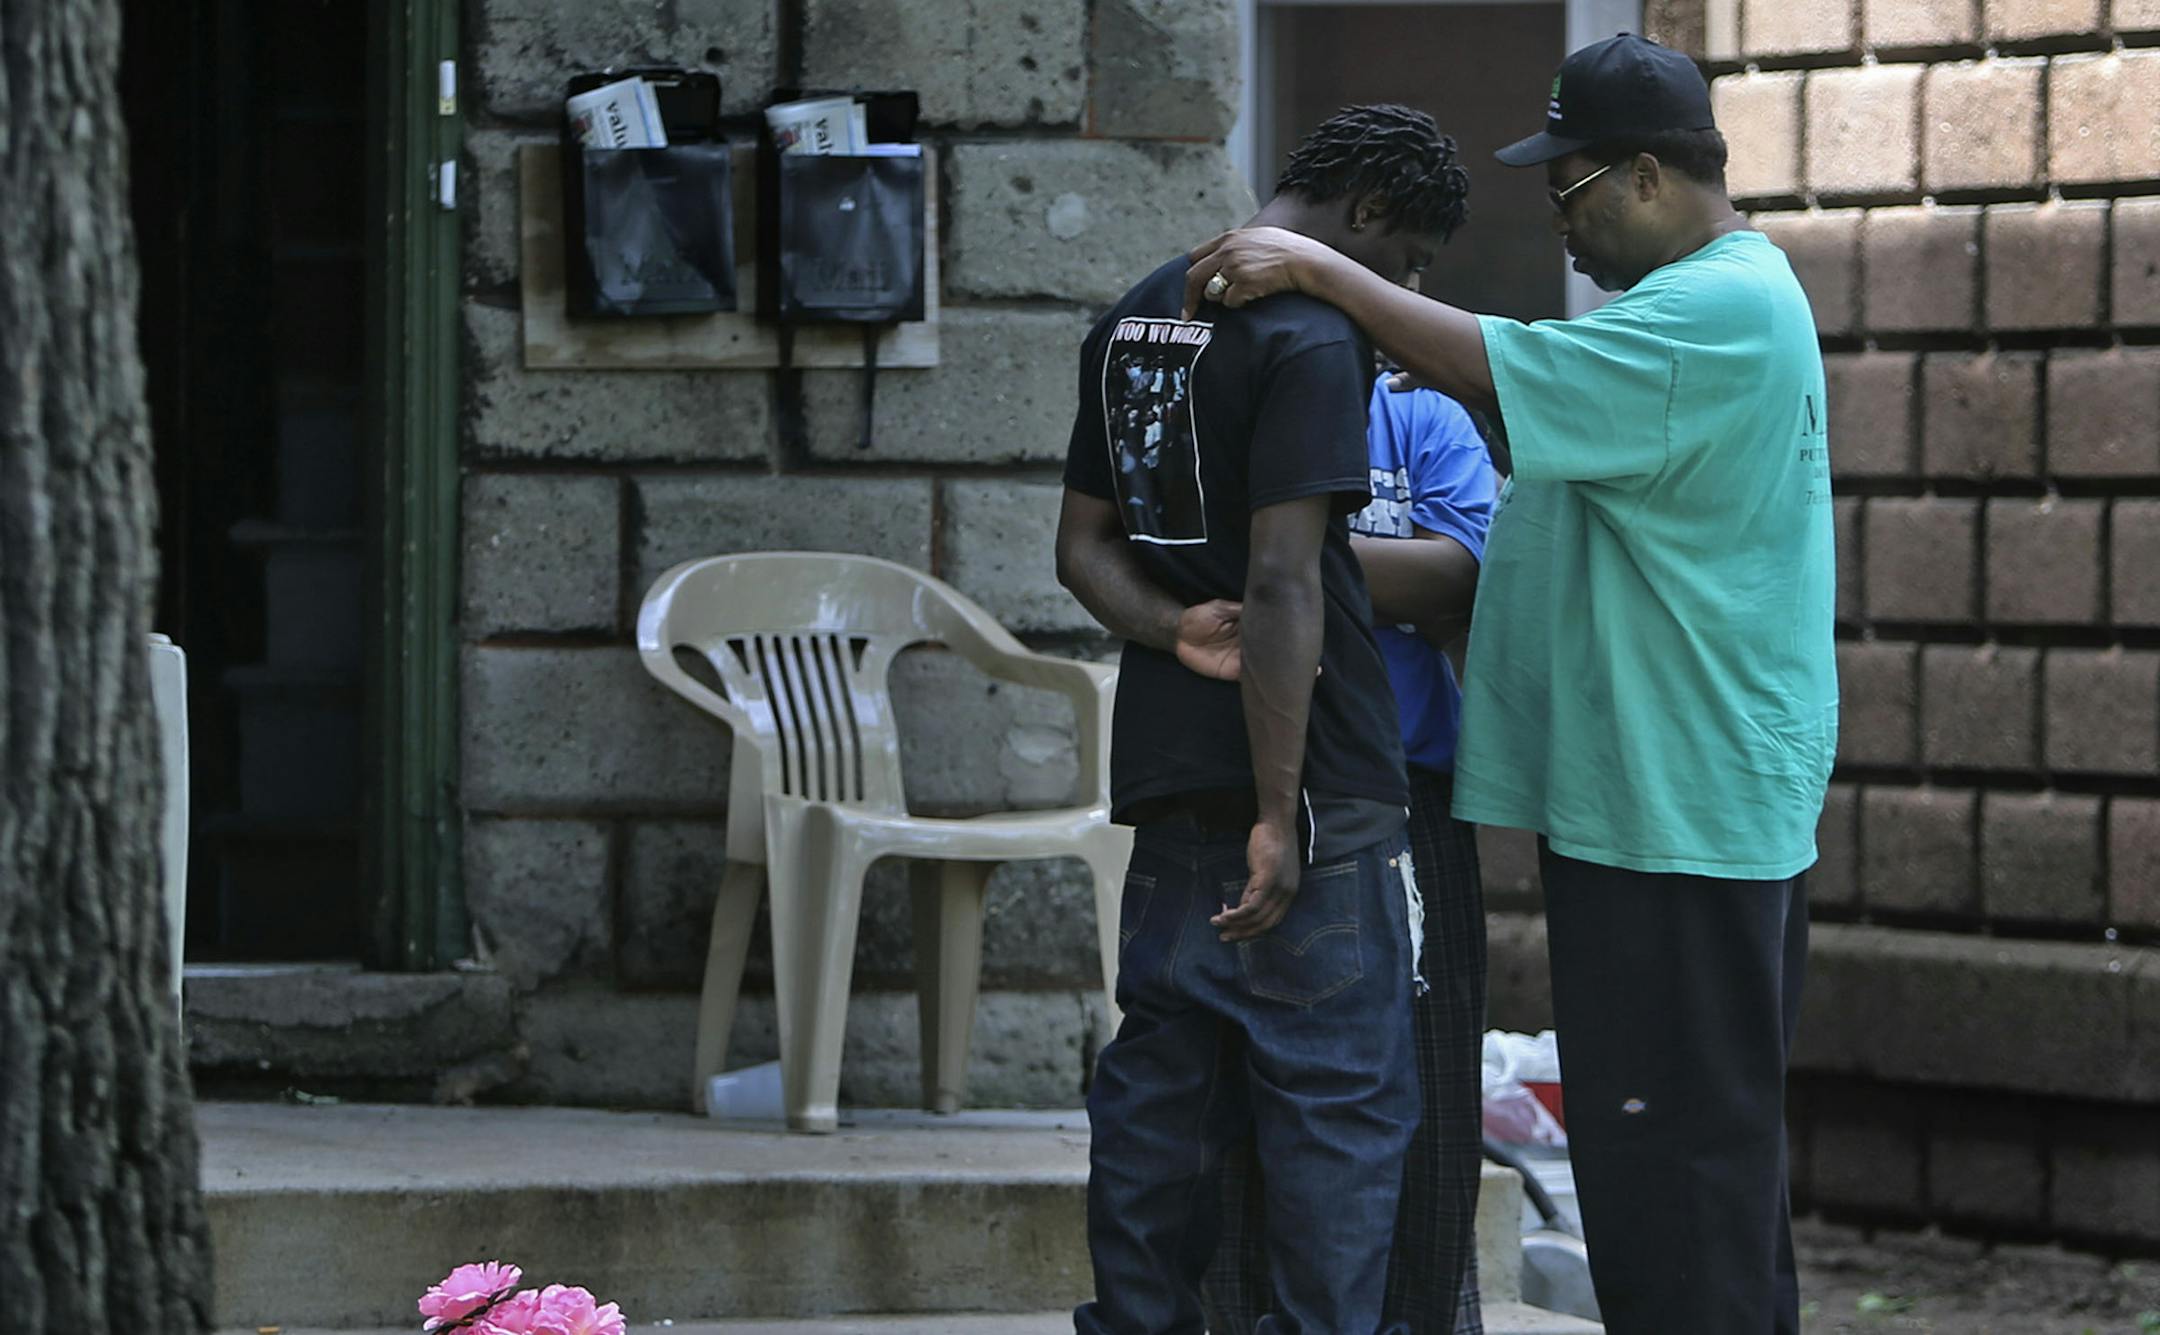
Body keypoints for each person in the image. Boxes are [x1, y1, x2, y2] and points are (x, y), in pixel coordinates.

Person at [1182, 34, 1837, 1335]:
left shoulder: (1720, 305)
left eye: (1568, 188)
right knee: (1696, 1172)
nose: (1562, 221)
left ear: (1646, 175)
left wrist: (1319, 268)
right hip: (1664, 795)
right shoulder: (1711, 302)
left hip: (1680, 809)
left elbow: (1502, 364)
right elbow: (1534, 394)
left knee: (1677, 1180)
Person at [1056, 103, 1469, 1335]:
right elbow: (1291, 581)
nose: (1400, 295)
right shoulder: (1308, 335)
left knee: (1159, 1109)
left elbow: (1082, 550)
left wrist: (1168, 626)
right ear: (1370, 214)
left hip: (1166, 781)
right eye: (1407, 263)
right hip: (1313, 795)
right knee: (1342, 1117)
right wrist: (1283, 811)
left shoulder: (1136, 312)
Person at [1203, 367, 1497, 1335]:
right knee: (1256, 1096)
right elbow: (1204, 568)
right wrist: (1356, 568)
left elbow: (1467, 567)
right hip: (1251, 800)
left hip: (1414, 797)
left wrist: (1292, 561)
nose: (1400, 296)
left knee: (1428, 1086)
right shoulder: (1246, 394)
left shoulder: (1419, 419)